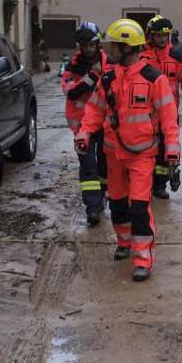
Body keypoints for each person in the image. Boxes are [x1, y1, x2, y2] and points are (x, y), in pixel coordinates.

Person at [75, 19, 180, 282]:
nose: (108, 49)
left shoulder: (154, 79)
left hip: (143, 154)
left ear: (127, 47)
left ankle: (143, 257)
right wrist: (85, 133)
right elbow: (95, 109)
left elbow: (169, 118)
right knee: (119, 203)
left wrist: (172, 153)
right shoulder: (109, 77)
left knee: (140, 206)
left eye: (114, 45)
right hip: (113, 154)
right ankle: (124, 243)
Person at [143, 15, 182, 199]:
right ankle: (143, 184)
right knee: (146, 150)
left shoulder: (177, 55)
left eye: (164, 35)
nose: (161, 39)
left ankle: (160, 186)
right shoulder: (142, 56)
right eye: (157, 35)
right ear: (150, 35)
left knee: (165, 151)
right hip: (146, 115)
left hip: (169, 113)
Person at [61, 21, 110, 225]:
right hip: (82, 127)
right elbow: (71, 91)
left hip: (105, 124)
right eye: (84, 45)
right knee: (88, 167)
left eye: (91, 44)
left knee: (105, 166)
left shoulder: (110, 63)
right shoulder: (72, 67)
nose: (88, 49)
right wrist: (92, 76)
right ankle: (92, 207)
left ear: (97, 44)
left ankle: (102, 197)